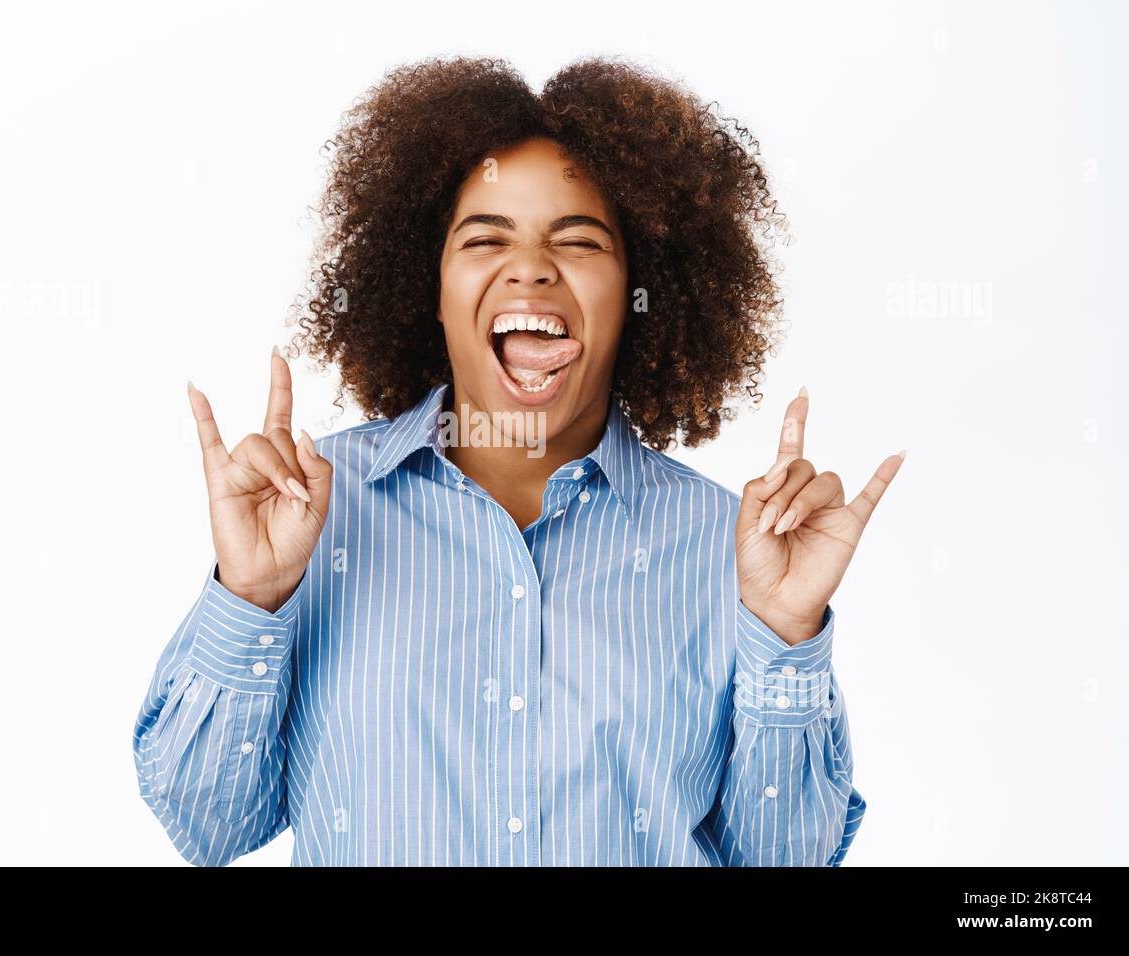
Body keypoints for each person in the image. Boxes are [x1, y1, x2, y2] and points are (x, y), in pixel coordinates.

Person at [131, 55, 904, 866]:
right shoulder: (310, 514)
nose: (532, 267)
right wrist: (251, 599)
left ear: (642, 289)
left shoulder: (730, 552)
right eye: (485, 237)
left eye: (578, 241)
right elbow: (209, 826)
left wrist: (783, 632)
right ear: (429, 286)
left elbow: (784, 857)